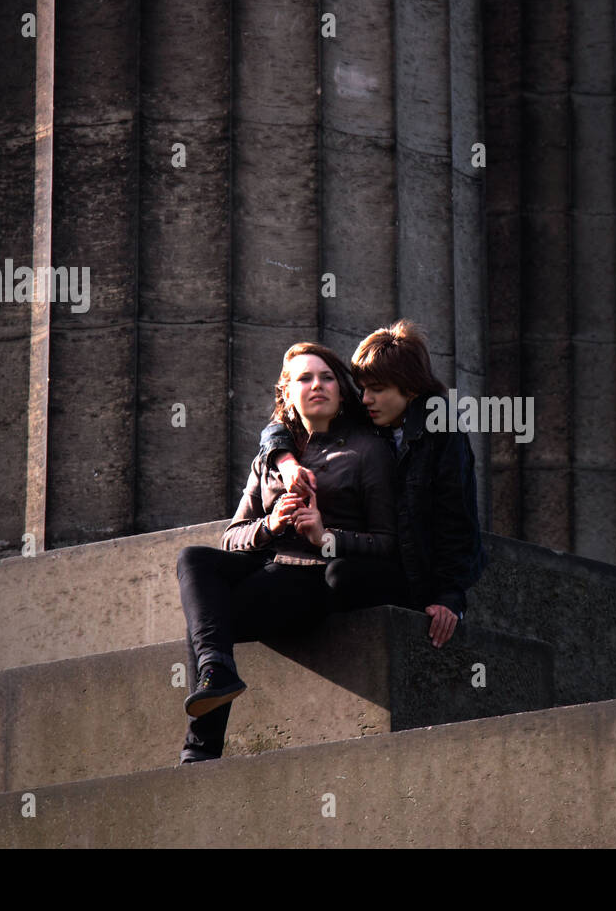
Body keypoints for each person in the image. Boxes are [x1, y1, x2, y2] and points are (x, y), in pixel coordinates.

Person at [175, 342, 400, 764]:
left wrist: (324, 536)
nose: (318, 385)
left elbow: (388, 541)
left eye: (328, 377)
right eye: (305, 378)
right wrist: (271, 525)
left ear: (341, 390)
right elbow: (232, 535)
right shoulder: (271, 459)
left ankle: (200, 746)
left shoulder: (368, 452)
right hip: (264, 568)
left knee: (205, 619)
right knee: (193, 559)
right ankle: (216, 671)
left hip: (313, 579)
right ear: (287, 392)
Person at [259, 320, 487, 649]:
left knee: (341, 578)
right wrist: (285, 459)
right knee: (329, 576)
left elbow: (458, 520)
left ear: (409, 388)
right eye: (363, 388)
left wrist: (451, 597)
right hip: (371, 554)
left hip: (414, 572)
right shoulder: (366, 416)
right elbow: (283, 421)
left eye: (377, 389)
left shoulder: (443, 432)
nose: (365, 398)